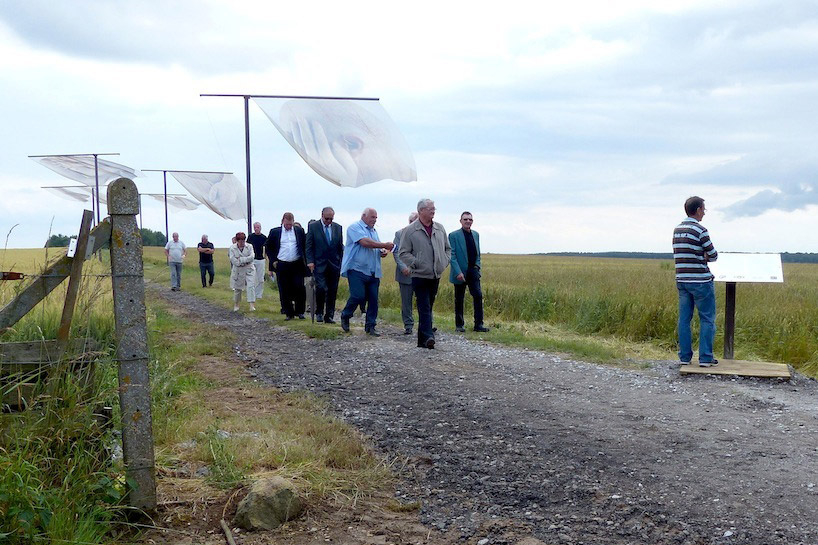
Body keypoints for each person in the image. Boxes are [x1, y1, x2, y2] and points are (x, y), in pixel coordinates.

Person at [398, 199, 451, 349]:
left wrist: (444, 261)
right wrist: (416, 263)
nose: (433, 211)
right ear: (421, 211)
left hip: (435, 275)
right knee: (424, 306)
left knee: (429, 305)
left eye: (434, 208)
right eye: (430, 209)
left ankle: (422, 340)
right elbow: (403, 253)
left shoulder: (440, 228)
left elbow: (448, 249)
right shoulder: (410, 230)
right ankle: (429, 337)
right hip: (419, 275)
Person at [673, 196, 719, 367]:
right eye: (704, 209)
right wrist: (703, 255)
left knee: (684, 319)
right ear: (698, 209)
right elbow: (713, 255)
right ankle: (705, 357)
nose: (704, 213)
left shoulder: (677, 230)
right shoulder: (701, 230)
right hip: (701, 280)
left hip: (682, 280)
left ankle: (684, 357)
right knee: (707, 318)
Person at [339, 208, 394, 335]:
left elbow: (375, 246)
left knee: (373, 299)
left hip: (373, 270)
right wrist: (383, 245)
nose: (374, 220)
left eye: (376, 218)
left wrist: (382, 252)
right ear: (364, 216)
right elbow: (364, 242)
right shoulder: (354, 227)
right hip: (357, 269)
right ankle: (346, 315)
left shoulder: (374, 231)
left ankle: (370, 326)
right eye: (372, 217)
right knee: (358, 295)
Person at [449, 212, 489, 333]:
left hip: (473, 270)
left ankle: (478, 325)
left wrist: (477, 267)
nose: (468, 221)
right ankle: (459, 325)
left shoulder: (476, 234)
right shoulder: (453, 235)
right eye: (465, 219)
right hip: (460, 271)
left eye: (470, 219)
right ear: (460, 221)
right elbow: (452, 255)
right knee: (459, 299)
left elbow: (478, 253)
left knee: (478, 296)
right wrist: (458, 272)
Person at [266, 213, 308, 320]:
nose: (289, 226)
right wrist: (273, 260)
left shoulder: (299, 231)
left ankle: (300, 312)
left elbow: (304, 246)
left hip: (297, 263)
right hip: (282, 264)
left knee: (299, 287)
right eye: (287, 224)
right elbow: (269, 247)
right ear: (283, 221)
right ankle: (289, 313)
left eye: (291, 224)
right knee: (284, 289)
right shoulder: (275, 232)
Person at [306, 207, 344, 323]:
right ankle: (319, 312)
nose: (329, 221)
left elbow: (339, 247)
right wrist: (310, 261)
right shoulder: (314, 227)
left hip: (334, 264)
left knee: (332, 290)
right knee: (321, 288)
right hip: (319, 264)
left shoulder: (338, 228)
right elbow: (309, 246)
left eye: (331, 219)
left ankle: (329, 315)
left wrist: (341, 262)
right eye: (327, 218)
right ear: (322, 215)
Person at [393, 211, 418, 335]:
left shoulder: (424, 234)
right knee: (406, 301)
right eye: (412, 222)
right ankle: (408, 325)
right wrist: (404, 267)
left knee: (425, 300)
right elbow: (397, 252)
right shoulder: (400, 234)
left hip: (421, 273)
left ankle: (428, 324)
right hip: (405, 274)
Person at [229, 232, 256, 312]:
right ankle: (236, 304)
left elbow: (251, 257)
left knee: (251, 286)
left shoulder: (249, 246)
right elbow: (233, 260)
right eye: (240, 241)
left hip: (249, 269)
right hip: (238, 270)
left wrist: (241, 259)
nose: (242, 243)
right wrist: (242, 261)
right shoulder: (232, 248)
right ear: (237, 241)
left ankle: (252, 305)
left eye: (243, 241)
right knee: (237, 288)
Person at [247, 222, 267, 300]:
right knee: (251, 277)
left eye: (257, 227)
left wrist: (265, 257)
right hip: (252, 259)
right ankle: (252, 293)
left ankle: (259, 295)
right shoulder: (251, 237)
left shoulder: (264, 237)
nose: (256, 229)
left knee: (260, 278)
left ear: (260, 228)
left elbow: (267, 249)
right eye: (255, 227)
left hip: (261, 259)